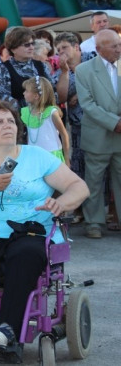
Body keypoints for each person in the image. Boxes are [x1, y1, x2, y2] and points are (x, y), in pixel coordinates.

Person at [0, 100, 89, 348]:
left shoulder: (37, 156)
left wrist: (60, 203)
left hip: (30, 229)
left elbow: (79, 187)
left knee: (27, 253)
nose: (7, 125)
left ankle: (7, 328)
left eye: (11, 121)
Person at [75, 29, 121, 239]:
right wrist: (114, 122)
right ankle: (93, 222)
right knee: (93, 181)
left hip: (119, 136)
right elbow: (87, 104)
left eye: (119, 45)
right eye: (114, 46)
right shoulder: (83, 70)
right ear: (99, 48)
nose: (118, 49)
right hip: (97, 136)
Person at [53, 31, 95, 181]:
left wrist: (79, 94)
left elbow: (103, 83)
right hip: (78, 124)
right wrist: (65, 72)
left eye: (64, 47)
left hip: (100, 121)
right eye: (58, 50)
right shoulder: (60, 72)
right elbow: (61, 97)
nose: (61, 52)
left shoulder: (93, 59)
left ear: (76, 47)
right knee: (80, 166)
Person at [0, 27, 51, 110]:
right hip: (19, 115)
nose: (31, 47)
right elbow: (4, 97)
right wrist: (28, 112)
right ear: (13, 49)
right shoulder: (3, 68)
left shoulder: (41, 65)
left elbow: (52, 91)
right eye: (27, 45)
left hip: (44, 113)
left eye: (32, 43)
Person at [21, 76, 70, 164]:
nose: (23, 93)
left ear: (36, 96)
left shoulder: (52, 113)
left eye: (27, 91)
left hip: (51, 158)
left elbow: (64, 134)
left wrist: (66, 158)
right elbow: (30, 136)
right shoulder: (26, 113)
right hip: (34, 158)